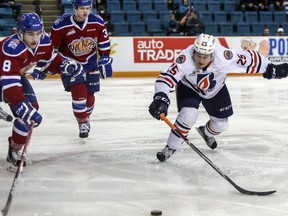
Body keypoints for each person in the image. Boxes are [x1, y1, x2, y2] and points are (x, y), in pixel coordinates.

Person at [148, 33, 288, 162]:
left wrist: (271, 69)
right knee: (188, 115)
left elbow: (250, 58)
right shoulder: (184, 59)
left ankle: (206, 132)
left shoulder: (224, 57)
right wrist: (161, 98)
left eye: (205, 56)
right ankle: (171, 147)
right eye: (198, 55)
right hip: (189, 88)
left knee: (221, 125)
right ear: (194, 51)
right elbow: (166, 78)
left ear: (212, 54)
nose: (201, 60)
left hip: (215, 90)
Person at [0, 12, 83, 166]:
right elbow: (9, 86)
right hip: (4, 79)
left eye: (38, 33)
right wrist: (19, 104)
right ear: (20, 32)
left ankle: (15, 150)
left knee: (29, 111)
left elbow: (50, 60)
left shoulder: (44, 40)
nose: (35, 38)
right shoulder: (12, 48)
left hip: (14, 77)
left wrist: (64, 64)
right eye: (30, 34)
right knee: (24, 108)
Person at [34, 0, 113, 139]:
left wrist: (105, 58)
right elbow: (52, 49)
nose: (85, 11)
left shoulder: (97, 22)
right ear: (74, 8)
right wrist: (45, 65)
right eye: (82, 8)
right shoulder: (61, 24)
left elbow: (104, 43)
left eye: (88, 8)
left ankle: (86, 118)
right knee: (79, 92)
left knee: (90, 94)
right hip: (69, 64)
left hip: (90, 63)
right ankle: (82, 122)